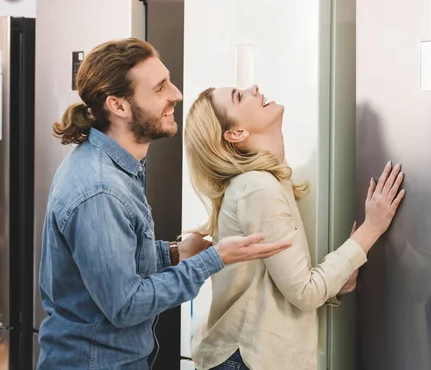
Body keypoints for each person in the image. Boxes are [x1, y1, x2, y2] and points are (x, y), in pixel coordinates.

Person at [36, 38, 291, 370]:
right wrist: (212, 260)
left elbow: (116, 261)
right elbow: (125, 304)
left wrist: (175, 254)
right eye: (159, 88)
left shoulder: (115, 168)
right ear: (118, 106)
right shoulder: (101, 190)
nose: (177, 94)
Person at [184, 85, 406, 370]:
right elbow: (305, 291)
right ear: (236, 133)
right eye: (239, 97)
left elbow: (277, 285)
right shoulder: (258, 187)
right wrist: (372, 227)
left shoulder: (267, 182)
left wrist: (338, 282)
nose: (253, 88)